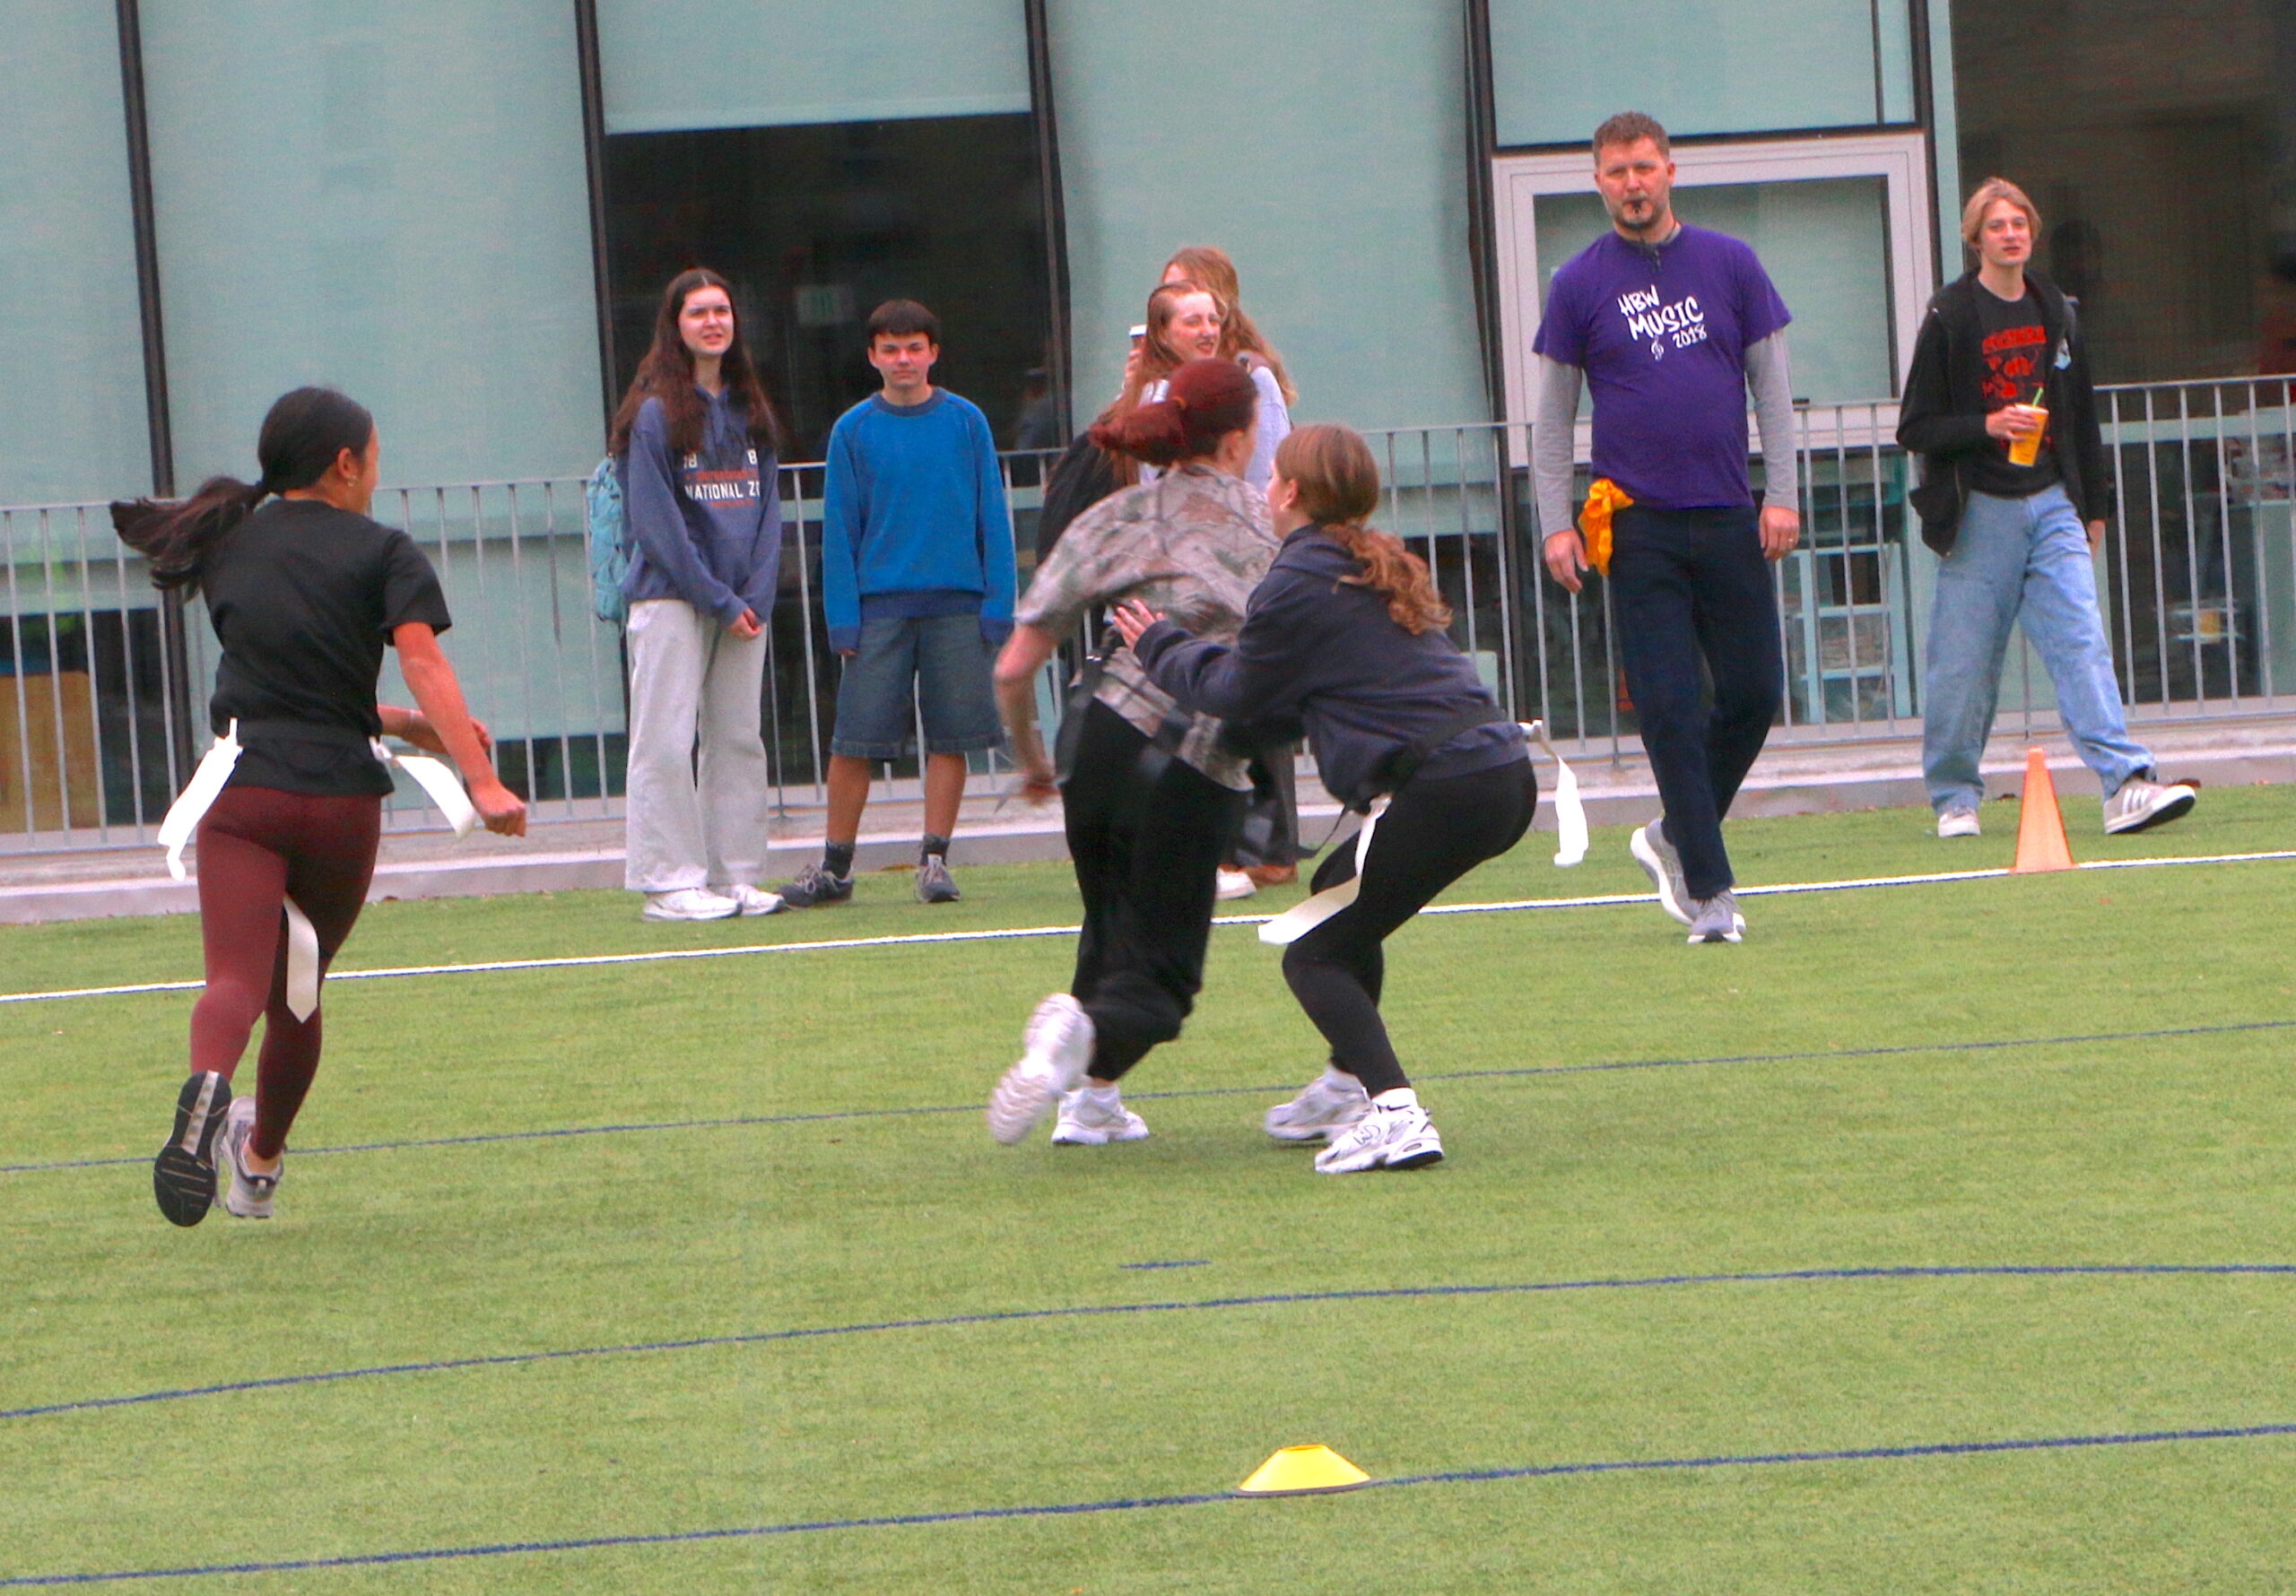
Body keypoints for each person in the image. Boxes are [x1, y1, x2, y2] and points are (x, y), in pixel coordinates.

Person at [111, 387, 526, 1227]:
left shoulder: (231, 542)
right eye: (374, 457)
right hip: (338, 802)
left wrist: (417, 730)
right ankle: (258, 1166)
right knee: (297, 989)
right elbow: (422, 664)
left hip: (246, 785)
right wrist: (479, 777)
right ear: (345, 464)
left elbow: (298, 684)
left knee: (234, 977)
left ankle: (207, 1092)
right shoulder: (385, 551)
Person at [1115, 424, 1533, 1174]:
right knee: (1337, 892)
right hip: (1497, 772)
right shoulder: (1365, 559)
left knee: (1313, 954)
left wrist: (1159, 648)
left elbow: (1236, 695)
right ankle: (1349, 1082)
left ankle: (1395, 1111)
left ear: (1292, 493)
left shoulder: (1298, 576)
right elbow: (1302, 698)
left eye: (1274, 477)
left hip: (1446, 784)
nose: (1265, 488)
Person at [983, 358, 1277, 1149]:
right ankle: (1063, 1058)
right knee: (1164, 981)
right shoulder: (1267, 525)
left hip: (1097, 741)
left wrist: (1034, 762)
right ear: (1242, 437)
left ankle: (1092, 1105)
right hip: (1189, 759)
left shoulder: (1115, 516)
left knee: (1112, 924)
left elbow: (1013, 667)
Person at [1535, 110, 1800, 945]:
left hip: (1728, 515)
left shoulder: (1732, 264)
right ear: (1598, 180)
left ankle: (1675, 835)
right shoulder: (1577, 283)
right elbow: (1550, 421)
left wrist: (1783, 493)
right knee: (1669, 709)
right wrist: (1555, 524)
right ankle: (1712, 893)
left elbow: (1773, 393)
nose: (1632, 184)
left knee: (1755, 694)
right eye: (1616, 171)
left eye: (1644, 167)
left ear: (1671, 170)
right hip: (1634, 528)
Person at [1900, 178, 2196, 837]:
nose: (2012, 233)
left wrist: (2094, 505)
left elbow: (2081, 415)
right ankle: (1954, 797)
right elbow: (1916, 427)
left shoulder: (2056, 311)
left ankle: (2126, 783)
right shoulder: (1951, 316)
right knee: (1965, 664)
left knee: (2082, 641)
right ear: (1976, 239)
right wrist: (1988, 425)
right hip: (1980, 511)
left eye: (2020, 223)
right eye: (1998, 225)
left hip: (2053, 502)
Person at [778, 299, 1016, 908]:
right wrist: (842, 617)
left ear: (933, 352)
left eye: (914, 347)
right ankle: (836, 867)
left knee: (951, 736)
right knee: (853, 740)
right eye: (890, 348)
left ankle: (934, 860)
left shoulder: (968, 423)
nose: (903, 359)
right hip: (879, 607)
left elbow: (994, 514)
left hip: (959, 606)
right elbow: (840, 530)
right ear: (872, 356)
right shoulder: (852, 431)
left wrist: (1000, 604)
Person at [613, 267, 787, 922]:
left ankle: (734, 874)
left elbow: (768, 508)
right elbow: (657, 524)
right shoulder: (656, 415)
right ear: (675, 326)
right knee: (663, 739)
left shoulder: (750, 409)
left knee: (738, 738)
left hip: (743, 605)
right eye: (698, 313)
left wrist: (756, 593)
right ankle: (668, 883)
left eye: (722, 309)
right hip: (673, 599)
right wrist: (717, 596)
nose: (713, 321)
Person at [1161, 247, 1302, 896]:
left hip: (1240, 559)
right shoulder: (1155, 385)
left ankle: (1267, 844)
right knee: (1193, 698)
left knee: (1252, 692)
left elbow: (1271, 468)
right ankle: (1211, 843)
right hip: (1179, 562)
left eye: (1191, 298)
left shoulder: (1253, 378)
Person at [1161, 246, 1296, 490]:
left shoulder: (1251, 376)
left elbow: (1266, 481)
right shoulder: (1157, 379)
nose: (1176, 300)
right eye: (1169, 291)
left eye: (1186, 289)